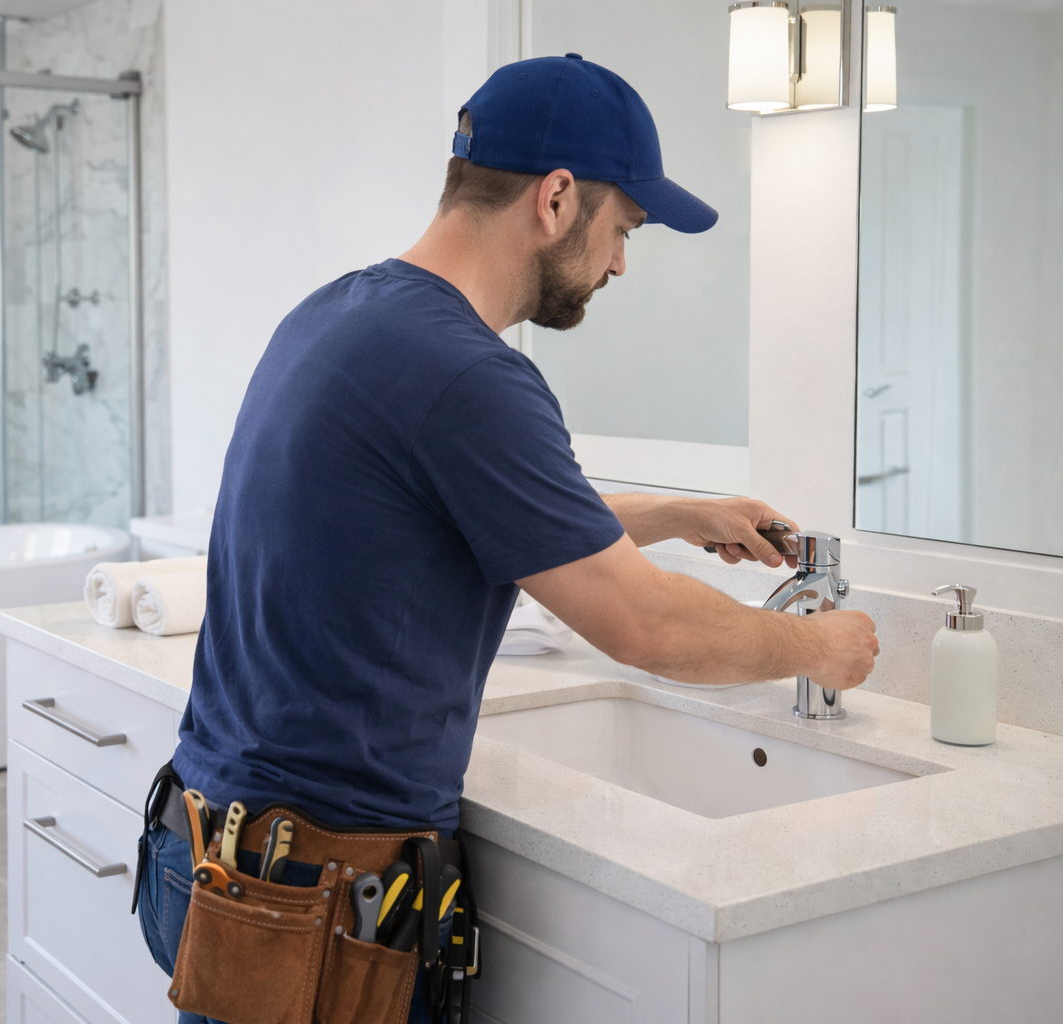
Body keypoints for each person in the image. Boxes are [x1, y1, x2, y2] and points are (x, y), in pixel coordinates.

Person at [136, 54, 880, 1023]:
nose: (620, 263)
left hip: (213, 861)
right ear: (558, 199)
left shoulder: (337, 316)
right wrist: (820, 644)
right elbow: (644, 626)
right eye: (623, 229)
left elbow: (449, 515)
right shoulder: (469, 374)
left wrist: (677, 517)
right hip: (322, 918)